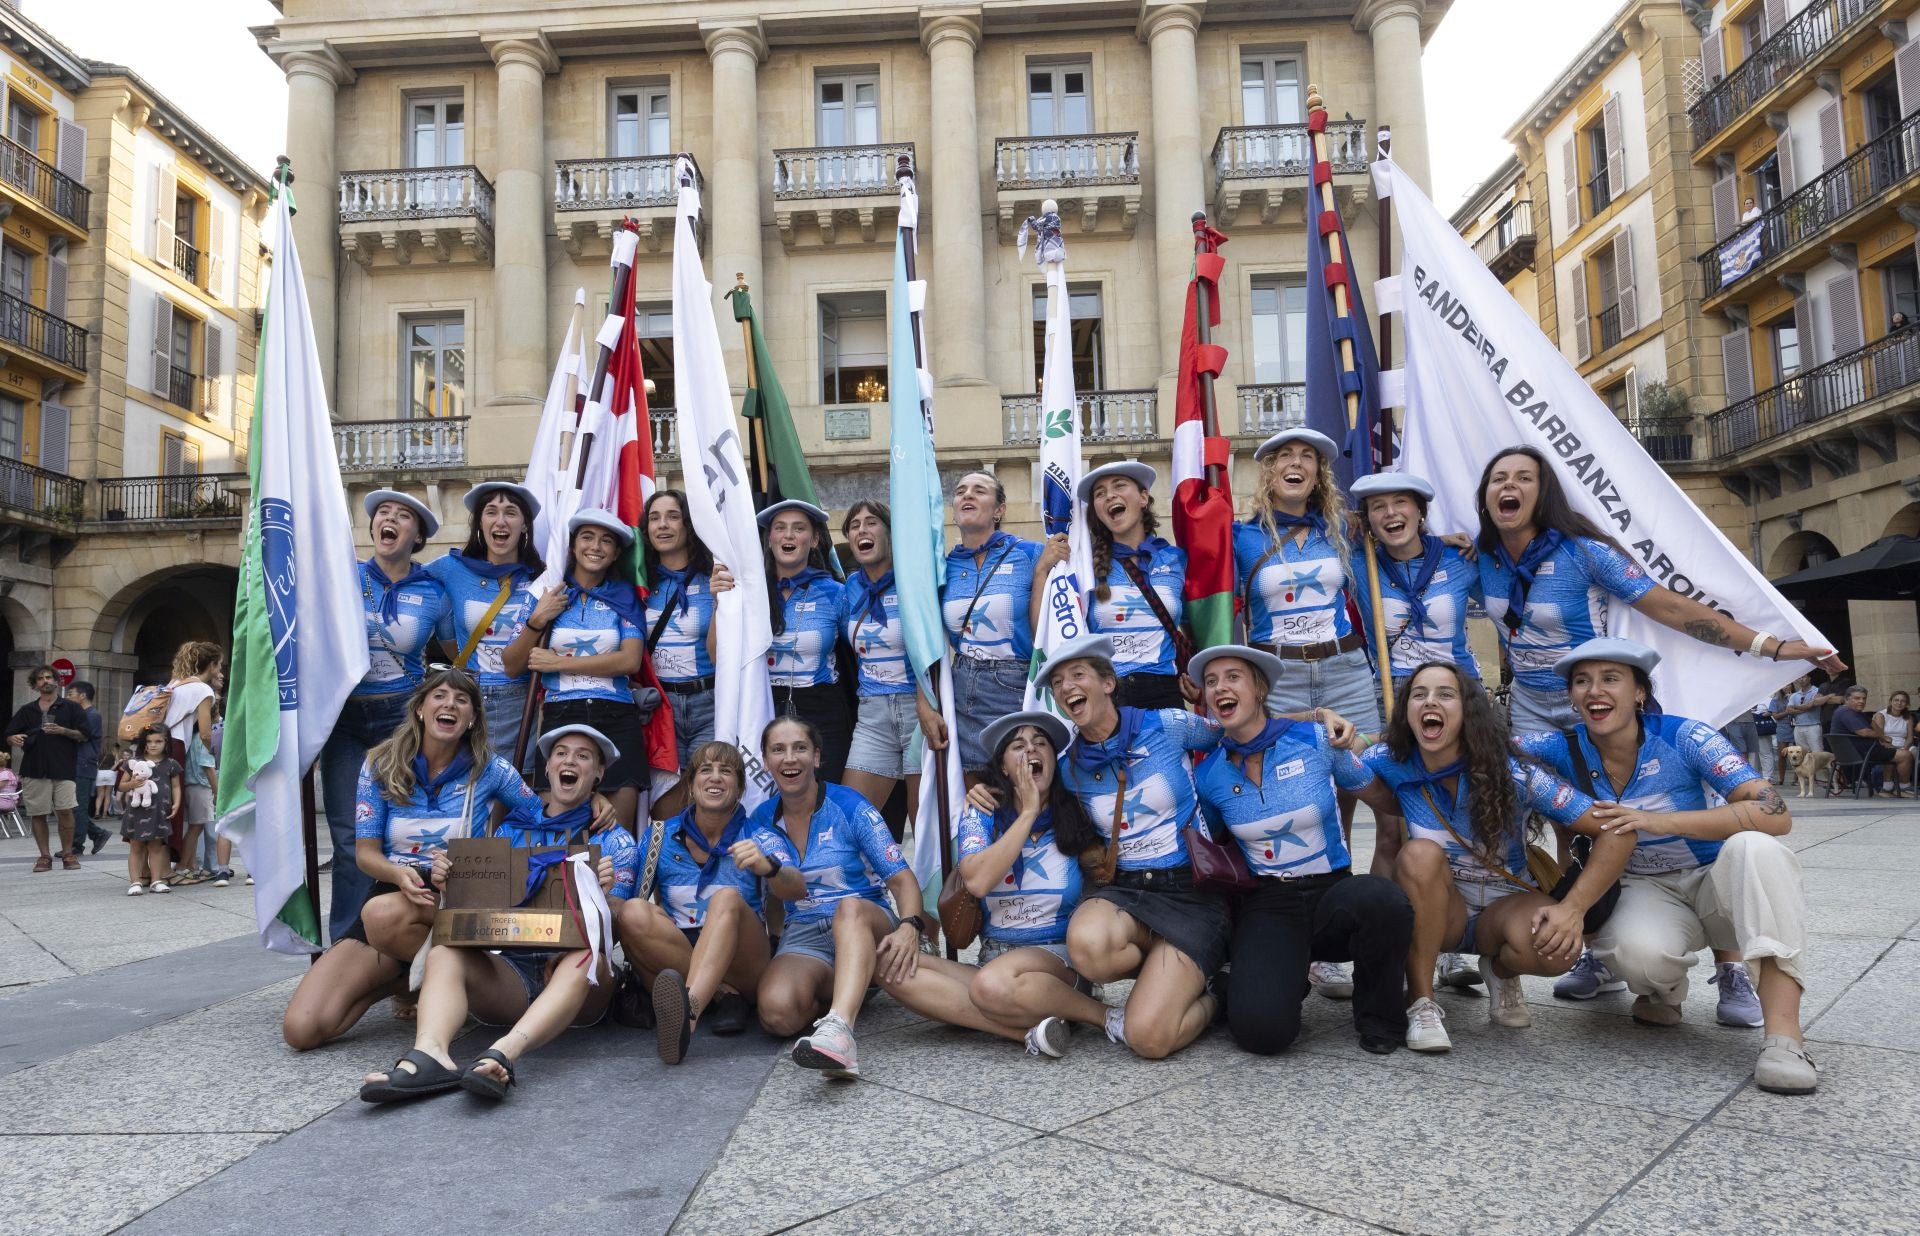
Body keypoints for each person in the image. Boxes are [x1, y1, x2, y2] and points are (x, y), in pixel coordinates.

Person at [1519, 638, 1816, 1094]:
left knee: (1757, 849)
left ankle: (1783, 1039)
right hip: (1647, 888)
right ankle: (1663, 993)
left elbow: (1776, 813)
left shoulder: (1686, 735)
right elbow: (1487, 745)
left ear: (1640, 692)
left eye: (1610, 679)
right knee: (1633, 954)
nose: (1594, 690)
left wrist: (1659, 820)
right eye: (1582, 681)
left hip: (1719, 882)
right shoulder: (1561, 746)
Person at [1041, 635, 1353, 1060]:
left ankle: (1217, 993)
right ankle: (1171, 975)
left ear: (1109, 682)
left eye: (1077, 675)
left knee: (1148, 1040)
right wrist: (983, 794)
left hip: (1190, 894)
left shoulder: (1167, 725)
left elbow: (1240, 727)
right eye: (1057, 682)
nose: (1066, 687)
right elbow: (1028, 793)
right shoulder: (1069, 767)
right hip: (1129, 893)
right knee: (1089, 946)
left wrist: (1314, 717)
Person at [1352, 661, 1632, 1052]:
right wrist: (1355, 737)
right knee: (1418, 854)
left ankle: (1499, 971)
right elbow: (1339, 762)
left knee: (1557, 952)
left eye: (1445, 694)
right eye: (1419, 695)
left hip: (1504, 905)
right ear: (1407, 713)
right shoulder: (1390, 759)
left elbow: (1616, 832)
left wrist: (1573, 908)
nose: (1430, 702)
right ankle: (1422, 1003)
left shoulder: (1514, 772)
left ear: (1469, 711)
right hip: (1440, 906)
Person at [358, 723, 637, 1103]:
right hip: (512, 973)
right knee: (446, 949)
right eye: (560, 753)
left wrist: (605, 897)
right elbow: (477, 910)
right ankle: (430, 1053)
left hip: (580, 982)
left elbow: (617, 929)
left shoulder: (616, 842)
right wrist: (448, 883)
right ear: (548, 767)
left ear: (598, 774)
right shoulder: (507, 830)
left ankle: (502, 1054)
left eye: (583, 756)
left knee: (585, 957)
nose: (569, 760)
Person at [1475, 446, 1836, 734]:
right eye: (1499, 479)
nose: (1509, 485)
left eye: (1524, 478)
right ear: (1486, 496)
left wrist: (1773, 647)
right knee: (1548, 807)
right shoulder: (1478, 559)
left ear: (1543, 495)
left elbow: (1674, 609)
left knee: (1600, 811)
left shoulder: (1585, 553)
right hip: (1528, 706)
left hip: (1591, 701)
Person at [279, 665, 545, 1051]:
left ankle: (433, 975)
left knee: (383, 915)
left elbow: (541, 814)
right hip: (392, 894)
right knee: (302, 1029)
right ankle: (404, 980)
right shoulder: (380, 763)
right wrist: (400, 874)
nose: (449, 704)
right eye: (439, 696)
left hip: (457, 901)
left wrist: (595, 801)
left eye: (461, 700)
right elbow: (365, 854)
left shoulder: (491, 768)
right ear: (420, 708)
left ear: (472, 719)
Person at [1189, 645, 1413, 1057]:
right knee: (1262, 1035)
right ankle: (1278, 975)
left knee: (1385, 900)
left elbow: (1384, 798)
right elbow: (1213, 846)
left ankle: (1380, 1017)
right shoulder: (1208, 774)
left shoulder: (1316, 740)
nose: (1220, 687)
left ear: (1259, 688)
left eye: (1233, 676)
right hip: (1268, 903)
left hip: (1332, 892)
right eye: (1211, 681)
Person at [882, 711, 1109, 1057]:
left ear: (1053, 759)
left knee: (991, 984)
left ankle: (1103, 1016)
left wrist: (1032, 808)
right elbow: (976, 880)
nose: (1031, 750)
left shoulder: (1077, 810)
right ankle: (1028, 1032)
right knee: (889, 967)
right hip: (994, 960)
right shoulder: (982, 812)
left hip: (1056, 957)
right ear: (1003, 767)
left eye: (1041, 743)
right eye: (1018, 745)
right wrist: (1026, 814)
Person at [736, 716, 924, 1079]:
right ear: (765, 760)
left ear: (817, 758)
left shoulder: (850, 805)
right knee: (776, 1014)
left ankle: (840, 1030)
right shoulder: (759, 820)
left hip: (865, 920)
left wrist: (910, 926)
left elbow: (903, 881)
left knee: (848, 907)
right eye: (778, 750)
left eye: (800, 748)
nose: (789, 758)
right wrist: (771, 871)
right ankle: (850, 985)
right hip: (806, 930)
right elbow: (791, 886)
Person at [320, 489, 450, 940]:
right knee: (348, 835)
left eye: (402, 515)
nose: (389, 519)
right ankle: (347, 945)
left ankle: (397, 945)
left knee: (401, 830)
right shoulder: (343, 577)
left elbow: (456, 653)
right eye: (382, 514)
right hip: (344, 718)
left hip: (402, 719)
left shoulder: (435, 591)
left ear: (416, 535)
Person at [617, 741, 771, 1064]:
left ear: (740, 787)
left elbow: (790, 889)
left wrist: (772, 867)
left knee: (726, 898)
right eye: (705, 770)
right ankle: (721, 995)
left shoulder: (760, 833)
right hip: (680, 947)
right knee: (632, 913)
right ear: (690, 784)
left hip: (743, 956)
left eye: (726, 771)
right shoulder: (659, 834)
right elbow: (627, 905)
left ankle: (687, 1016)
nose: (715, 778)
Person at [1232, 429, 1381, 735]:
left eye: (1307, 456)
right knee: (1291, 773)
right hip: (1277, 679)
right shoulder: (1240, 538)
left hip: (1347, 673)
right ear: (1270, 471)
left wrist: (1441, 542)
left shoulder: (1343, 528)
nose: (1296, 463)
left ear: (1317, 475)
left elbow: (1397, 543)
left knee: (1364, 768)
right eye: (1285, 455)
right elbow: (1210, 600)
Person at [506, 509, 647, 828]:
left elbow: (629, 661)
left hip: (617, 718)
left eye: (606, 540)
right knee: (560, 834)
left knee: (616, 837)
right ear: (572, 546)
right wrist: (536, 620)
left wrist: (559, 663)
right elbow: (512, 665)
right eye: (587, 537)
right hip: (561, 717)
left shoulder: (626, 597)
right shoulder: (545, 593)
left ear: (615, 554)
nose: (595, 546)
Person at [1039, 461, 1188, 710]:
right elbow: (1045, 632)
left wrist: (1193, 672)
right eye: (1100, 493)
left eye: (1119, 485)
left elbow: (1196, 628)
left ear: (1143, 497)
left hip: (1165, 694)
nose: (1110, 495)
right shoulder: (1082, 567)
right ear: (1096, 509)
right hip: (1106, 697)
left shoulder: (1175, 559)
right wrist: (1041, 571)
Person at [836, 500, 940, 822]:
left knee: (922, 820)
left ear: (890, 533)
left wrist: (927, 701)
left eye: (871, 523)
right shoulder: (848, 589)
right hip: (873, 714)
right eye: (855, 526)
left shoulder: (914, 581)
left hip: (918, 710)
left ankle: (927, 876)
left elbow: (937, 642)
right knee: (849, 817)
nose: (862, 530)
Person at [427, 481, 545, 764]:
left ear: (525, 525)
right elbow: (403, 579)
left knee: (513, 792)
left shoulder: (542, 578)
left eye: (511, 512)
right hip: (467, 700)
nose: (500, 521)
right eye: (491, 512)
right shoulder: (450, 568)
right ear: (480, 522)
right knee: (464, 788)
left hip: (522, 702)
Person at [941, 471, 1042, 775]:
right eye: (961, 491)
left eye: (979, 491)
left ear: (999, 510)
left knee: (1021, 787)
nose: (967, 495)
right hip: (960, 689)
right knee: (976, 800)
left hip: (1014, 688)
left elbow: (1047, 632)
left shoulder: (1031, 553)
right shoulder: (944, 566)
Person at [1349, 474, 1482, 687]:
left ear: (1420, 511)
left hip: (1459, 685)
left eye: (1401, 502)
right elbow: (1316, 519)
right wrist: (1347, 516)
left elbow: (1505, 607)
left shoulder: (1459, 559)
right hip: (1393, 691)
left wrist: (1438, 544)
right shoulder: (1360, 565)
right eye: (1378, 507)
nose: (1391, 512)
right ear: (1368, 521)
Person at [760, 500, 853, 782]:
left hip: (823, 710)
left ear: (813, 540)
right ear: (770, 539)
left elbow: (860, 652)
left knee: (822, 797)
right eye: (780, 528)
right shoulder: (751, 592)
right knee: (768, 799)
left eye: (798, 529)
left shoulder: (836, 593)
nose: (788, 535)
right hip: (763, 706)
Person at [641, 489, 728, 771]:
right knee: (667, 796)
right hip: (660, 705)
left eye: (672, 517)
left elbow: (722, 654)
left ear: (688, 525)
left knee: (707, 786)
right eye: (654, 518)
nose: (662, 524)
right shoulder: (638, 585)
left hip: (710, 702)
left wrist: (718, 602)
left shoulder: (713, 578)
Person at [5, 664, 91, 872]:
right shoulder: (28, 710)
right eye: (41, 679)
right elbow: (9, 734)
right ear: (35, 685)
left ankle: (68, 853)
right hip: (35, 767)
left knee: (65, 810)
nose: (45, 681)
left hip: (63, 766)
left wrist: (63, 730)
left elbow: (84, 735)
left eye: (49, 677)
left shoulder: (72, 708)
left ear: (57, 681)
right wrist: (12, 737)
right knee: (38, 813)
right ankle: (44, 856)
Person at [160, 642, 223, 886]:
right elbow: (206, 733)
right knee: (175, 813)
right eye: (219, 665)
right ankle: (172, 871)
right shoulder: (202, 690)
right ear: (212, 664)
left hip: (161, 745)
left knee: (164, 809)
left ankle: (154, 870)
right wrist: (215, 756)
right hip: (177, 747)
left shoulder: (175, 684)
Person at [117, 726, 181, 895]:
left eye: (158, 741)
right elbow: (122, 786)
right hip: (136, 812)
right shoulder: (134, 763)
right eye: (149, 742)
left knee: (157, 847)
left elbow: (176, 786)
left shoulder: (171, 764)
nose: (153, 745)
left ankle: (156, 880)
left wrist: (176, 803)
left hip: (160, 812)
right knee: (136, 847)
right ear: (143, 743)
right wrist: (132, 784)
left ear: (166, 742)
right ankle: (135, 881)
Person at [1832, 685, 1913, 795]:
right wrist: (1883, 737)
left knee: (1890, 751)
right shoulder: (1846, 712)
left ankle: (1887, 789)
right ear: (1846, 699)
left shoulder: (1854, 712)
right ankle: (1904, 788)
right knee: (1906, 755)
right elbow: (1864, 732)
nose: (1861, 701)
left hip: (1854, 751)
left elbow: (1872, 723)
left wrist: (1881, 736)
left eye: (1864, 698)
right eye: (1857, 698)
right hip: (1862, 752)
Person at [65, 681, 109, 855]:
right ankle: (97, 833)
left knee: (78, 806)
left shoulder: (92, 715)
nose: (68, 697)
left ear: (82, 695)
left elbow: (82, 737)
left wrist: (61, 730)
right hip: (77, 764)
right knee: (73, 806)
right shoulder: (84, 714)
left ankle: (77, 844)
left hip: (84, 765)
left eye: (70, 694)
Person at [1780, 674, 1834, 758]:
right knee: (1803, 755)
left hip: (1813, 726)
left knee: (1817, 753)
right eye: (1799, 678)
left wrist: (1799, 707)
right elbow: (1789, 710)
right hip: (1798, 727)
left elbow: (1813, 705)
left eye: (1804, 677)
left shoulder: (1817, 691)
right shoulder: (1795, 695)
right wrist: (1807, 707)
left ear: (1809, 678)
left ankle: (1821, 771)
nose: (1801, 680)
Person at [1878, 690, 1912, 790]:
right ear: (1891, 701)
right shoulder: (1881, 715)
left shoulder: (1908, 717)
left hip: (1904, 746)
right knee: (1894, 754)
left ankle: (1902, 787)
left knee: (1909, 753)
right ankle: (1898, 786)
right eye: (1896, 700)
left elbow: (1910, 738)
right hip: (1886, 745)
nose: (1899, 703)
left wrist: (1905, 747)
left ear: (1907, 704)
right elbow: (1879, 735)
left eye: (1903, 701)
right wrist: (1890, 746)